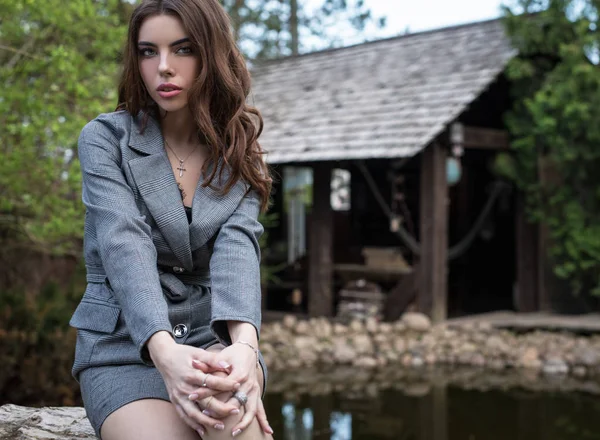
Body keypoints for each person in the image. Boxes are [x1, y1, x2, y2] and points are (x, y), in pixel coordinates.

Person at [69, 0, 274, 439]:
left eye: (182, 49)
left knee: (238, 433)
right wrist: (163, 351)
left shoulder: (239, 151)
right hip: (125, 343)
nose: (163, 67)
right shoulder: (106, 139)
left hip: (210, 333)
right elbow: (125, 246)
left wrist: (245, 349)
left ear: (212, 54)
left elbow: (238, 254)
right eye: (148, 51)